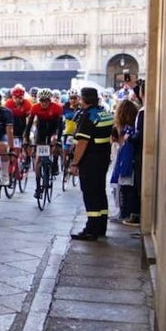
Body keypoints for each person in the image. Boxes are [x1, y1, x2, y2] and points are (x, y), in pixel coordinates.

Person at [67, 87, 115, 240]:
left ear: (84, 99)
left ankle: (91, 229)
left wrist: (75, 163)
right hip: (103, 158)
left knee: (90, 194)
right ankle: (101, 227)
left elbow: (82, 142)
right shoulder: (104, 114)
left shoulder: (88, 116)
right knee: (100, 192)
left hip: (90, 160)